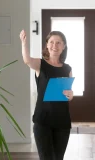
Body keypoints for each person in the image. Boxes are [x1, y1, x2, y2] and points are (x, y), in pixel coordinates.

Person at [19, 30, 73, 160]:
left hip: (62, 120)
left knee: (58, 158)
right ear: (47, 45)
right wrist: (24, 43)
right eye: (52, 42)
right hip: (43, 120)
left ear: (63, 46)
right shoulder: (40, 64)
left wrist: (71, 95)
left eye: (58, 43)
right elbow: (27, 60)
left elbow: (69, 94)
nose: (55, 45)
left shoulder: (67, 68)